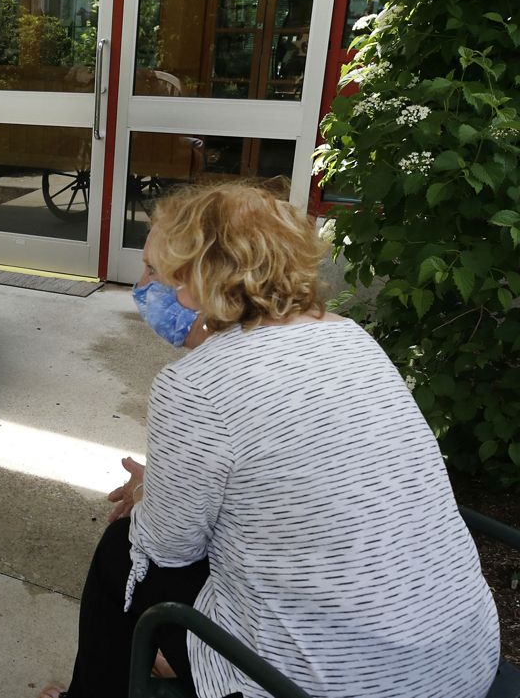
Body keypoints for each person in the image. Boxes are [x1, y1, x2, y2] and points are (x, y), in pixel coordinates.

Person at [39, 183, 499, 698]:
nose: (141, 286)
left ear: (198, 279)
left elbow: (168, 547)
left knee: (121, 551)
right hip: (462, 662)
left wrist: (153, 495)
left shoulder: (196, 385)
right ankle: (181, 657)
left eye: (153, 272)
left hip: (319, 685)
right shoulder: (352, 336)